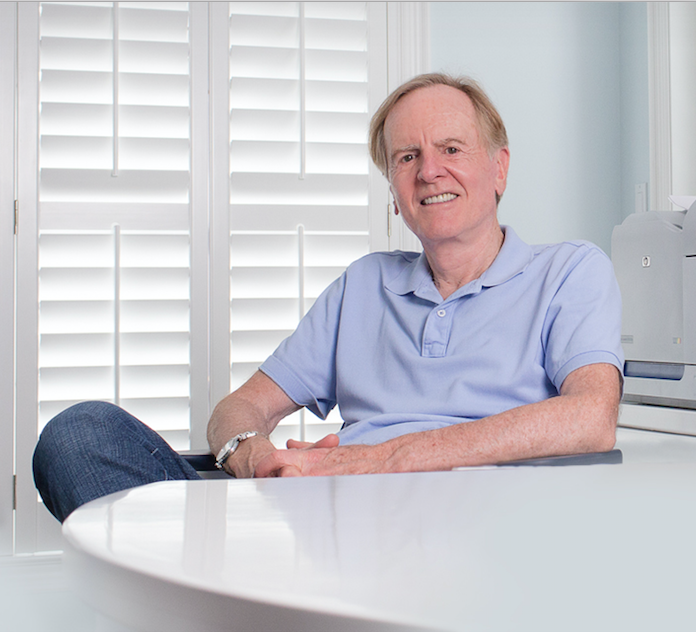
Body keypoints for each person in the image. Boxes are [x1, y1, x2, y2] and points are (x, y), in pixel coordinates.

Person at [33, 73, 624, 523]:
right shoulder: (363, 284)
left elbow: (592, 417)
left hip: (477, 526)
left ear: (499, 169)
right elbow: (238, 408)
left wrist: (383, 460)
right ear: (393, 190)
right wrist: (253, 456)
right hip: (328, 518)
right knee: (79, 434)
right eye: (407, 157)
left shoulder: (569, 271)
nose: (429, 172)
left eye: (451, 149)